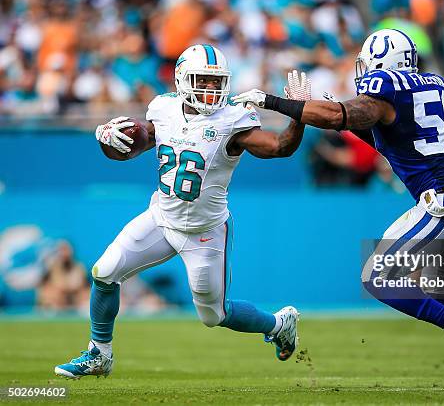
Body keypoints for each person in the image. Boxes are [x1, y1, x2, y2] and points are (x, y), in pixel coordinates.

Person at [233, 29, 444, 390]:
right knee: (437, 287)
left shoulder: (386, 85)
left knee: (377, 276)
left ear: (381, 61)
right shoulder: (432, 82)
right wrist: (330, 110)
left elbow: (340, 116)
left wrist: (272, 101)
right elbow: (386, 136)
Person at [54, 44, 305, 379]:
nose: (211, 89)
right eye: (203, 80)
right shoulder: (164, 108)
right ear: (182, 79)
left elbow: (280, 147)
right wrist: (110, 139)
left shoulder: (233, 120)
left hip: (205, 231)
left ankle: (278, 324)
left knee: (213, 315)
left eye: (218, 82)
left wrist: (299, 112)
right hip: (161, 218)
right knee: (104, 271)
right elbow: (134, 147)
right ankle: (99, 354)